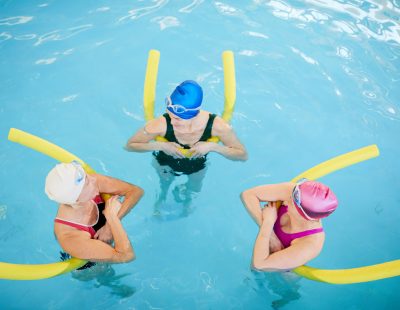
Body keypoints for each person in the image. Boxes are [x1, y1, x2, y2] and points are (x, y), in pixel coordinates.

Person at [126, 80, 247, 209]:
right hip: (165, 161)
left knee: (194, 189)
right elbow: (130, 145)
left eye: (177, 118)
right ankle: (161, 199)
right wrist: (161, 146)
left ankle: (187, 204)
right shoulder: (160, 124)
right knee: (164, 185)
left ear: (193, 116)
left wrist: (213, 147)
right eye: (170, 115)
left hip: (197, 163)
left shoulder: (218, 127)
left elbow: (242, 155)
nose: (172, 122)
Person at [45, 161, 143, 265]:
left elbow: (136, 191)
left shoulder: (88, 182)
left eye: (86, 176)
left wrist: (108, 227)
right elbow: (126, 256)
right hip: (88, 266)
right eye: (86, 182)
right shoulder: (70, 237)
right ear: (76, 199)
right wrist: (112, 217)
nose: (92, 178)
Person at [240, 179, 338, 271]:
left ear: (303, 215)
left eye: (292, 201)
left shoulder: (311, 244)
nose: (287, 199)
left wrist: (268, 222)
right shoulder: (297, 192)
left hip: (283, 275)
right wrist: (272, 237)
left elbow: (258, 265)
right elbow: (247, 195)